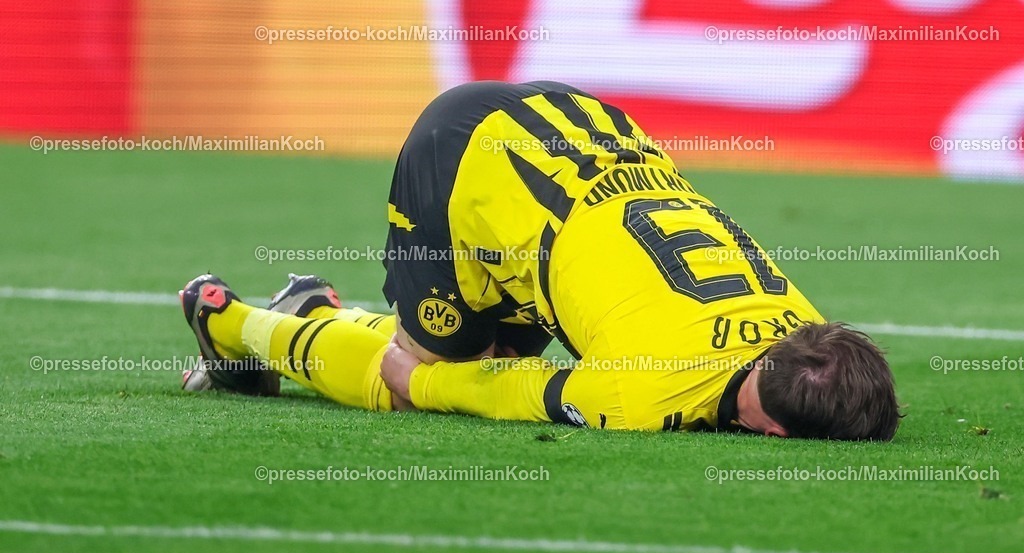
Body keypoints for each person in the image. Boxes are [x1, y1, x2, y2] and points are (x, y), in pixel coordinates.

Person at [180, 81, 900, 439]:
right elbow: (506, 389)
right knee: (420, 376)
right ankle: (233, 327)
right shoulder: (643, 394)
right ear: (775, 433)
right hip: (469, 160)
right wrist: (426, 384)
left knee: (477, 341)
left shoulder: (798, 324)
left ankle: (312, 313)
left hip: (591, 131)